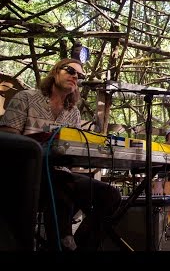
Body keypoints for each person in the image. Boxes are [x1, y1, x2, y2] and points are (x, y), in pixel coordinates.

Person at [0, 58, 121, 251]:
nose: (75, 77)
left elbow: (70, 152)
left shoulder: (73, 113)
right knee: (60, 186)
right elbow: (7, 140)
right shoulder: (26, 98)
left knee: (111, 195)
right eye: (70, 71)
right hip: (26, 175)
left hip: (60, 172)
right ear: (56, 72)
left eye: (80, 76)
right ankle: (63, 243)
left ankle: (79, 247)